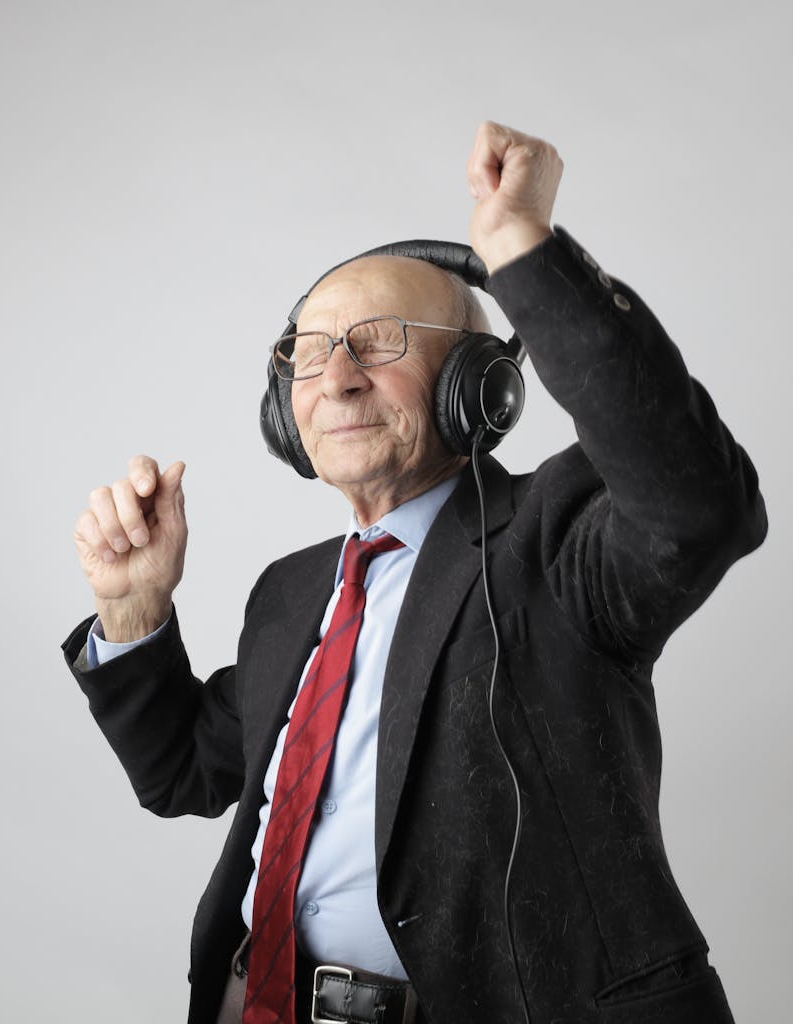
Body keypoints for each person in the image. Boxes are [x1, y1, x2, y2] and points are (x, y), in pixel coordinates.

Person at [63, 121, 767, 1024]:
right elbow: (185, 778)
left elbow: (700, 506)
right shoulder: (291, 592)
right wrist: (133, 613)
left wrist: (524, 250)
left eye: (380, 340)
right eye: (308, 354)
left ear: (477, 385)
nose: (338, 377)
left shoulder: (555, 540)